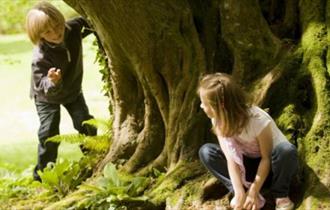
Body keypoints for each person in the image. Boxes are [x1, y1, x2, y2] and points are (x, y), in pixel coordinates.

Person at [198, 73, 298, 210]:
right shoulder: (217, 118)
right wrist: (240, 191)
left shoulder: (257, 120)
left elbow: (266, 159)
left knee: (286, 151)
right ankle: (242, 195)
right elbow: (231, 159)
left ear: (220, 105)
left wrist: (254, 190)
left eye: (204, 103)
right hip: (245, 165)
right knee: (207, 152)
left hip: (270, 166)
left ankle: (280, 194)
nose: (201, 106)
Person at [26, 1, 97, 181]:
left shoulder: (72, 29)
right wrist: (51, 81)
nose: (56, 33)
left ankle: (94, 158)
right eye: (47, 32)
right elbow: (40, 84)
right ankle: (43, 175)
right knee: (49, 133)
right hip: (47, 98)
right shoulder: (40, 56)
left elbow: (94, 22)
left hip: (72, 91)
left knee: (84, 122)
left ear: (62, 20)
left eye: (57, 26)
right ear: (39, 36)